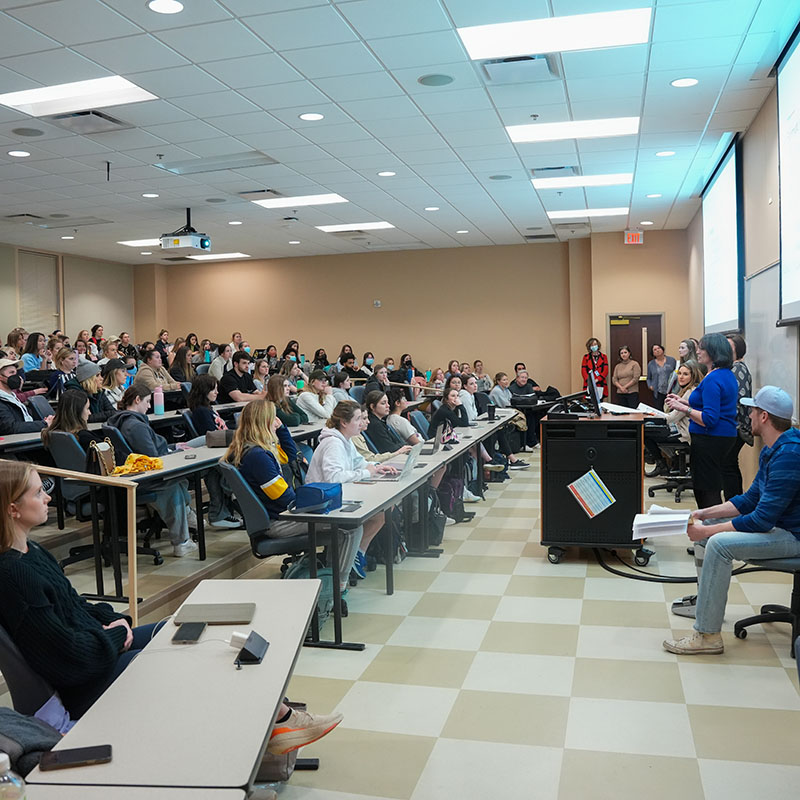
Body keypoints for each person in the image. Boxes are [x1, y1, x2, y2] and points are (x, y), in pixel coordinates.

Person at [663, 386, 800, 655]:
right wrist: (704, 514)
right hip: (782, 528)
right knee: (710, 537)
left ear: (764, 417)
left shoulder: (789, 455)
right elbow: (748, 501)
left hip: (793, 536)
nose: (748, 414)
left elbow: (761, 520)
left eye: (752, 410)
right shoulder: (776, 449)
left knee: (717, 544)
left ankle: (707, 635)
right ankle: (705, 611)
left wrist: (708, 532)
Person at [665, 334, 739, 620]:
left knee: (707, 500)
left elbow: (708, 419)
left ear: (712, 353)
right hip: (720, 440)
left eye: (702, 349)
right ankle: (707, 566)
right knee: (711, 496)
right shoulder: (725, 376)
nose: (699, 352)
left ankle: (709, 565)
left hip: (709, 442)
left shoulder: (713, 379)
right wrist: (684, 407)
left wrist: (685, 408)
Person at [306, 401, 396, 582]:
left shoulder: (345, 440)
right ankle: (351, 559)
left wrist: (377, 467)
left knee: (385, 509)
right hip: (325, 504)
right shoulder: (333, 443)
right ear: (344, 422)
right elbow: (333, 478)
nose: (361, 423)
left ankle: (356, 554)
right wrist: (365, 472)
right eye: (357, 419)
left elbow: (359, 462)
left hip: (342, 494)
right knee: (379, 511)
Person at [107, 385, 197, 557]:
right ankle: (182, 539)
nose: (149, 406)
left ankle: (186, 516)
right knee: (175, 485)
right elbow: (153, 457)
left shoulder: (122, 420)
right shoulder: (135, 426)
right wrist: (175, 451)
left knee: (181, 479)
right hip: (147, 478)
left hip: (140, 472)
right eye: (147, 401)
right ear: (137, 400)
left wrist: (174, 446)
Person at [643, 360, 703, 474]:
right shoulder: (685, 390)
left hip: (684, 434)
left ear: (693, 375)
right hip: (680, 429)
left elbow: (671, 418)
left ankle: (662, 464)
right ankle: (670, 462)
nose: (681, 377)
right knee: (651, 429)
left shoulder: (690, 392)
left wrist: (650, 415)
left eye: (685, 374)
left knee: (646, 432)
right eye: (679, 373)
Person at [723, 333, 754, 499]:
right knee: (728, 465)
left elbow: (738, 399)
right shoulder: (732, 368)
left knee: (728, 466)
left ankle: (733, 503)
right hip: (733, 425)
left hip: (737, 426)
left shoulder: (738, 369)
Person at [0, 359, 50, 434]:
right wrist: (44, 424)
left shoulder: (12, 397)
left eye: (16, 373)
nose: (16, 377)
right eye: (11, 373)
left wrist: (46, 421)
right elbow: (11, 427)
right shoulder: (2, 400)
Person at [508, 368, 542, 448]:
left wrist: (522, 399)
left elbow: (533, 398)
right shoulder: (512, 388)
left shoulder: (529, 386)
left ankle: (532, 442)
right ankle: (523, 443)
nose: (524, 379)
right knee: (524, 418)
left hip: (529, 410)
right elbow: (513, 401)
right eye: (522, 377)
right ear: (517, 378)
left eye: (526, 378)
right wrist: (525, 400)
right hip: (517, 412)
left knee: (533, 417)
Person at [646, 343, 676, 408]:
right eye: (655, 349)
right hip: (658, 391)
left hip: (671, 390)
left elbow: (676, 374)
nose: (657, 350)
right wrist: (650, 386)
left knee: (670, 409)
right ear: (653, 353)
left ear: (662, 349)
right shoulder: (651, 364)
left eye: (658, 348)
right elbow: (648, 378)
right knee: (659, 410)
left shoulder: (672, 360)